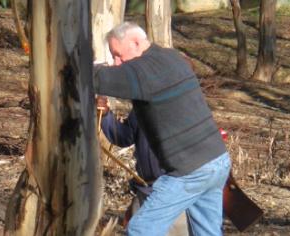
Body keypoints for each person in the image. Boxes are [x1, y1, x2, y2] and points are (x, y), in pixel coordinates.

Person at [93, 22, 229, 235]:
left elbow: (98, 79)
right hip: (217, 161)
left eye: (118, 54)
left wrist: (74, 64)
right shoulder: (170, 58)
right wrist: (106, 114)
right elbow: (125, 134)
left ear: (136, 42)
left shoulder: (145, 70)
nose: (117, 63)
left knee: (140, 229)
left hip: (189, 170)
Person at [96, 96, 191, 236]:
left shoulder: (182, 107)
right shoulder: (141, 107)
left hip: (175, 192)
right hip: (145, 190)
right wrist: (105, 115)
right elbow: (124, 137)